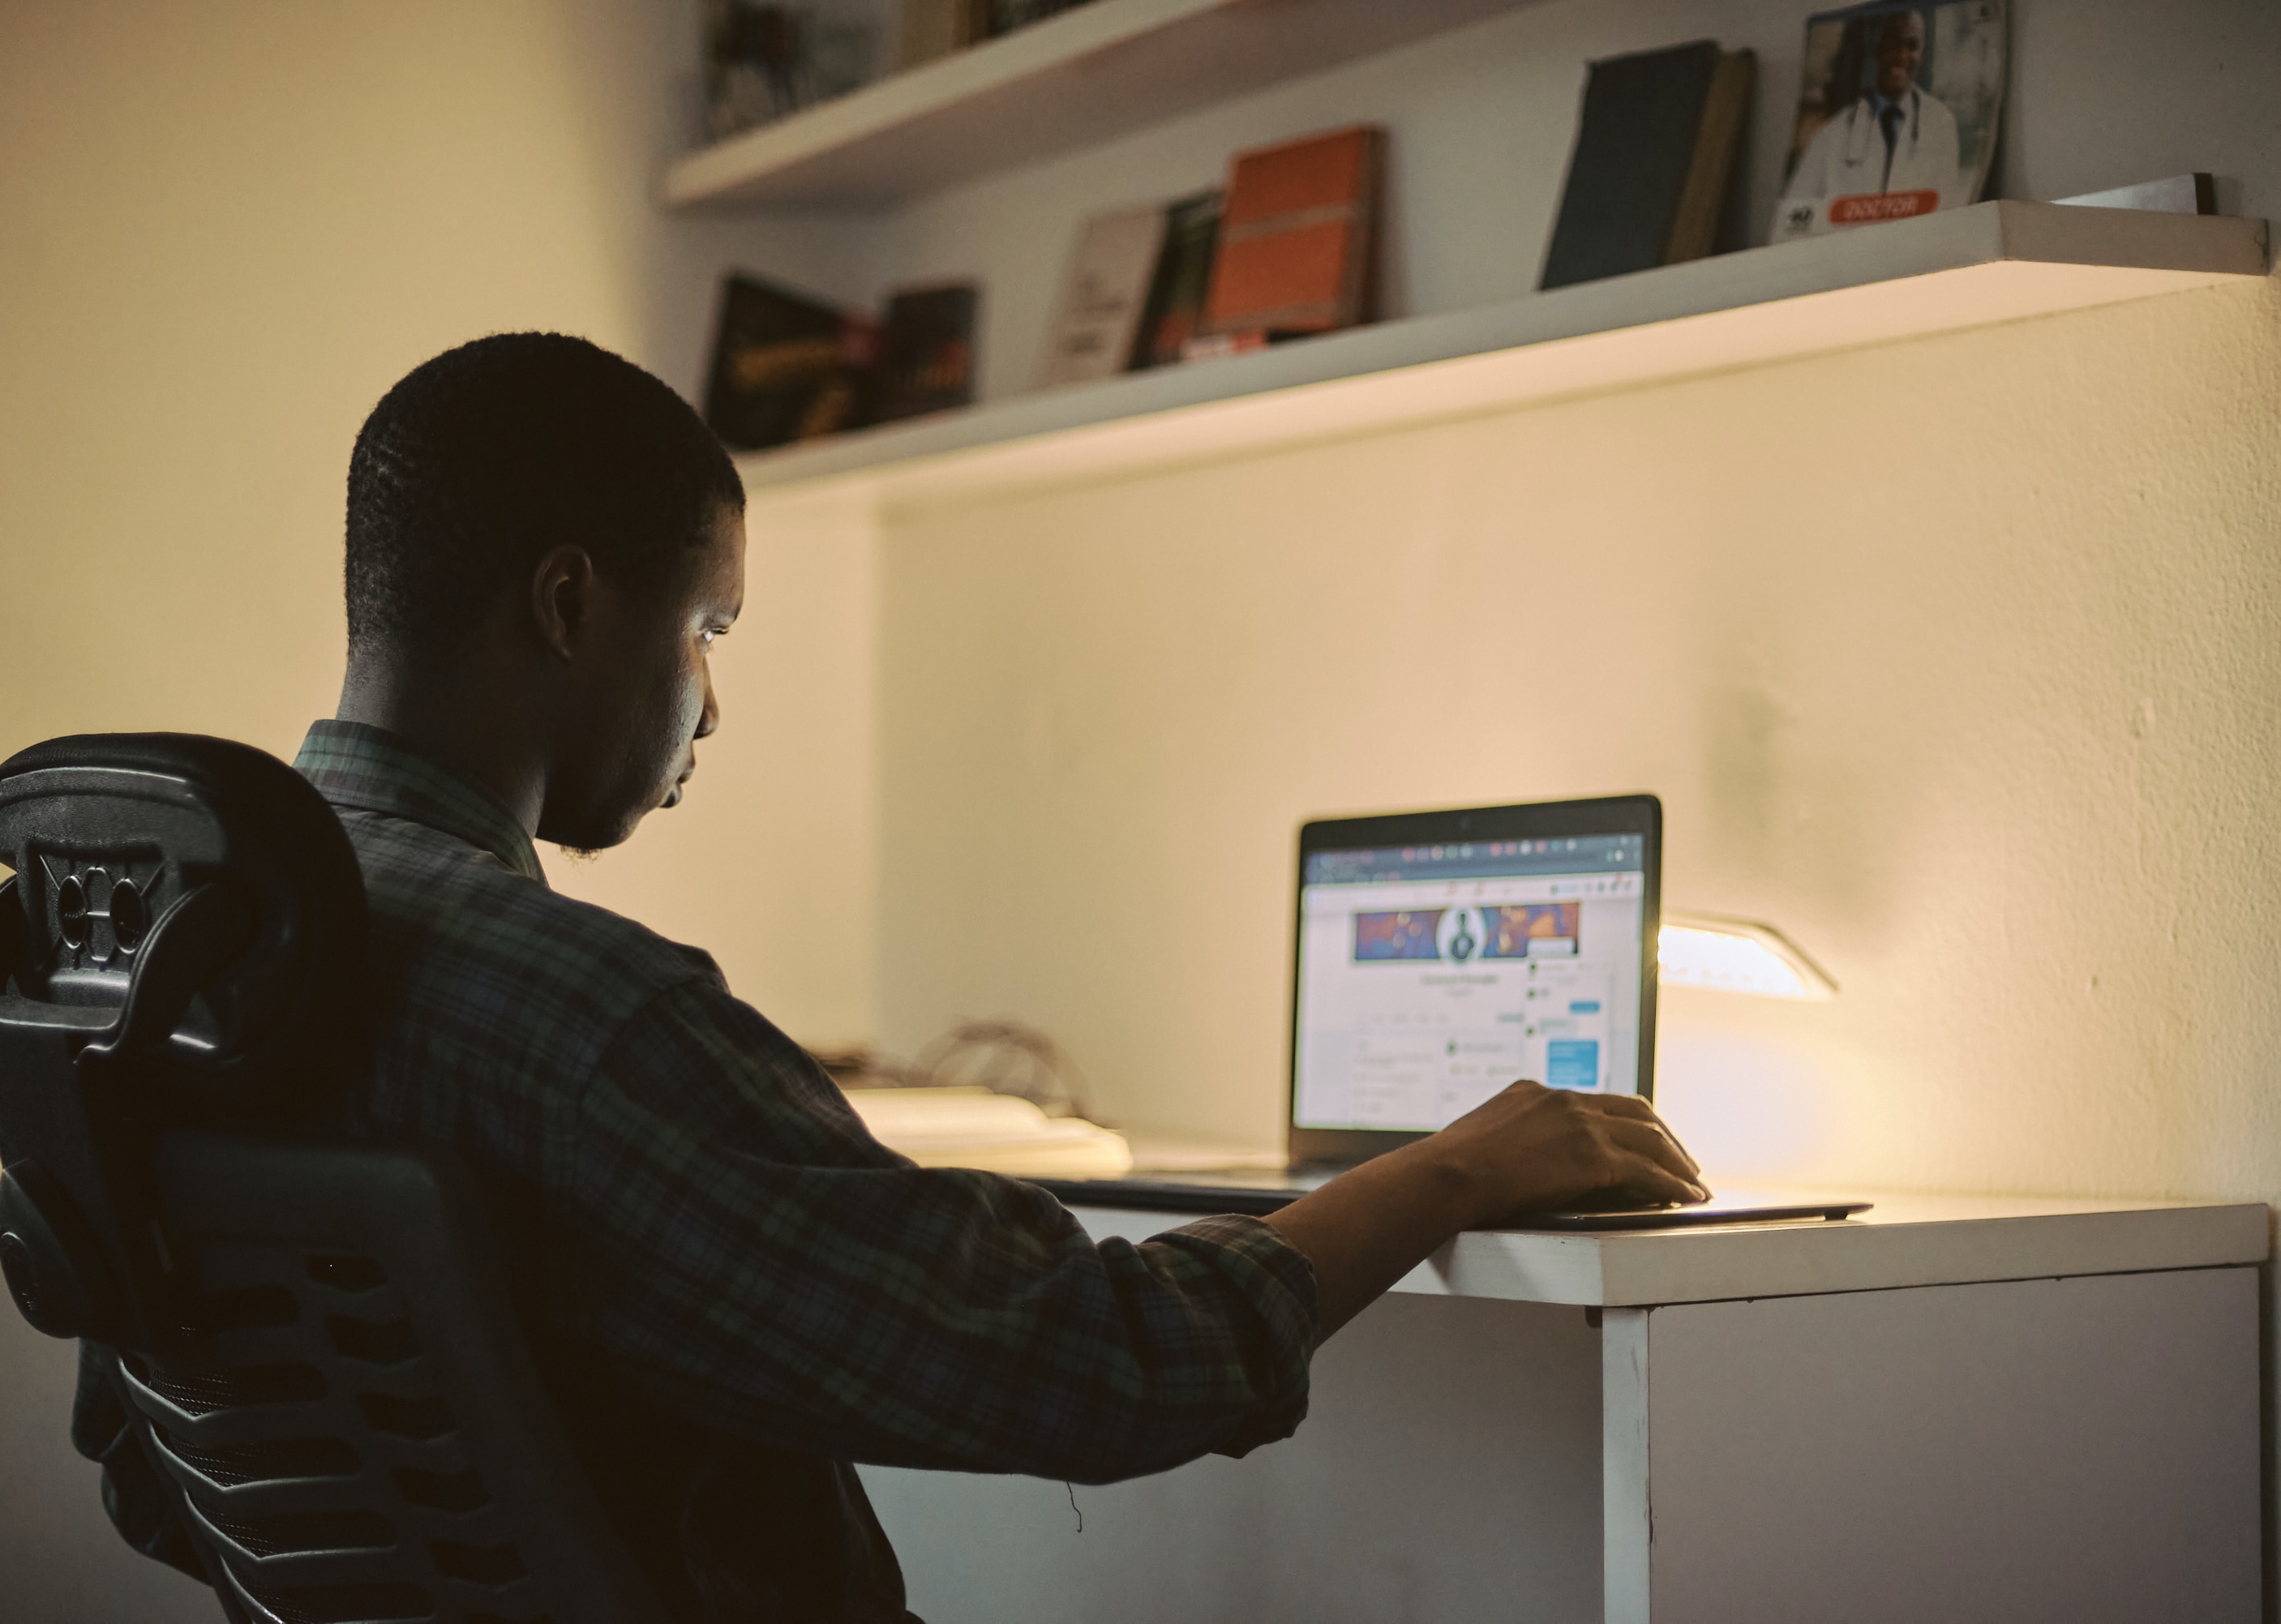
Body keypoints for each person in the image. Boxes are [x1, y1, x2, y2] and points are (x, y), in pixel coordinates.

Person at [92, 333, 1704, 1622]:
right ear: (573, 602)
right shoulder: (582, 1016)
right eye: (708, 626)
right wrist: (1462, 1162)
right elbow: (1093, 1362)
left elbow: (152, 1462)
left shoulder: (181, 942)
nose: (709, 706)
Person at [1775, 9, 1966, 237]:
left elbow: (1948, 214)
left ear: (1921, 56)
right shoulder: (1835, 132)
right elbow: (1791, 222)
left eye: (1911, 46)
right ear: (1877, 50)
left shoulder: (1939, 122)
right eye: (1892, 44)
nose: (1901, 55)